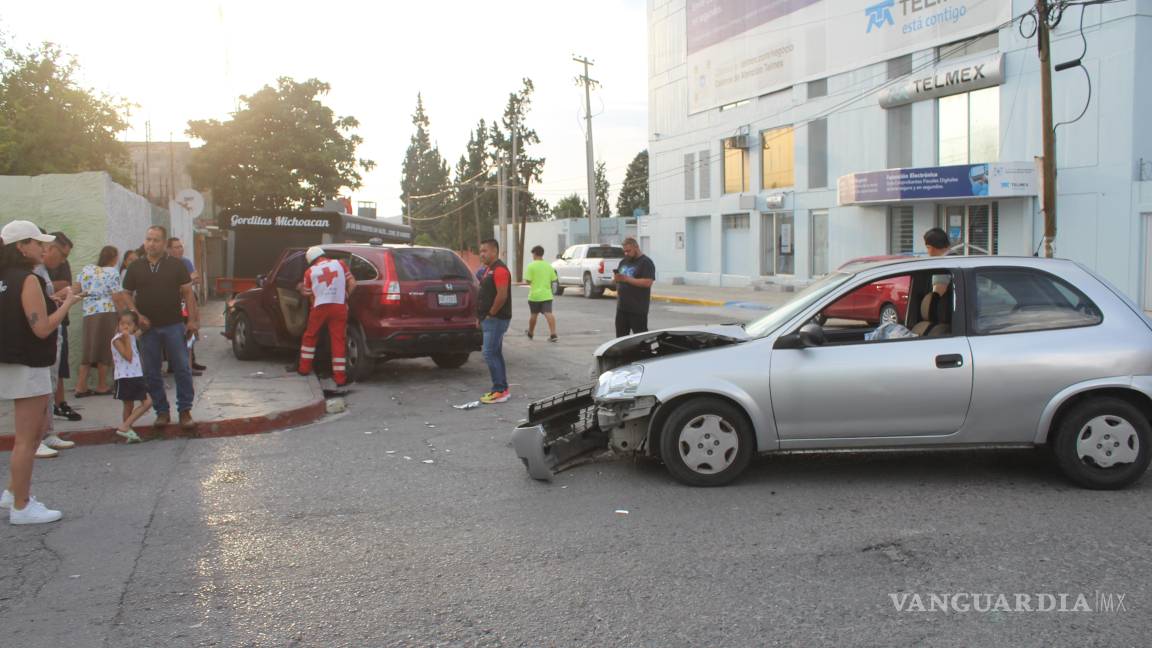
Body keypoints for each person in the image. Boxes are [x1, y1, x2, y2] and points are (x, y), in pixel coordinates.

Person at [0, 220, 83, 524]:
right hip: (29, 364)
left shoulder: (6, 278)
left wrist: (54, 301)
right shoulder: (28, 279)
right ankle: (22, 506)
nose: (42, 247)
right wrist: (68, 303)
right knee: (28, 438)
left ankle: (12, 492)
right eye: (36, 242)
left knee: (30, 435)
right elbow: (42, 327)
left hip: (10, 360)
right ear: (21, 247)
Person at [114, 225, 199, 431]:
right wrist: (137, 314)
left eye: (156, 240)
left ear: (164, 244)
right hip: (148, 329)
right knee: (152, 371)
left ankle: (185, 410)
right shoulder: (136, 267)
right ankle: (162, 412)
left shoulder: (176, 265)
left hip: (173, 325)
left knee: (182, 368)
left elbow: (188, 294)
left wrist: (192, 320)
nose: (151, 244)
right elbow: (125, 293)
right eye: (148, 239)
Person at [297, 246, 356, 387]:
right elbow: (353, 284)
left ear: (311, 260)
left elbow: (309, 294)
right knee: (338, 340)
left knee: (310, 336)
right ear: (323, 254)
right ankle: (340, 378)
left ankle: (304, 369)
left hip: (320, 307)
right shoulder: (340, 264)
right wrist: (345, 296)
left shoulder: (309, 272)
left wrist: (315, 308)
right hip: (339, 306)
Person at [44, 231, 82, 424]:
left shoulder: (60, 265)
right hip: (43, 323)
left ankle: (59, 403)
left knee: (59, 366)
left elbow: (67, 284)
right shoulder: (37, 268)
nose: (63, 261)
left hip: (59, 320)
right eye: (63, 255)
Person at [74, 245, 120, 398]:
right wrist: (123, 314)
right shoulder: (112, 272)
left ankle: (81, 386)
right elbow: (116, 295)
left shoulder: (87, 270)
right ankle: (102, 385)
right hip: (107, 312)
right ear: (114, 258)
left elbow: (76, 290)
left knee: (89, 348)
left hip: (89, 312)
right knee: (105, 349)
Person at [477, 239, 512, 404]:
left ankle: (499, 390)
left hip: (496, 319)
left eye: (485, 251)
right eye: (480, 251)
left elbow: (502, 295)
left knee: (489, 353)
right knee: (495, 353)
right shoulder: (488, 270)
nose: (482, 254)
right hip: (489, 319)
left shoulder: (500, 270)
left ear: (494, 252)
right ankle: (503, 389)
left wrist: (490, 314)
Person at [166, 237, 205, 371]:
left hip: (187, 302)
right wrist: (188, 280)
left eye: (180, 246)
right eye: (176, 247)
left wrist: (185, 283)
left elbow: (197, 278)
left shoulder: (186, 262)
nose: (179, 250)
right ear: (169, 249)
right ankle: (174, 364)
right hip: (172, 303)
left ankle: (191, 362)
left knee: (190, 330)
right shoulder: (166, 264)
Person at [111, 310, 150, 443]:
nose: (125, 327)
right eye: (122, 324)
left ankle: (128, 431)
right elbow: (128, 356)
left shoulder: (132, 336)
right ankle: (125, 426)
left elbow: (145, 327)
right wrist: (127, 338)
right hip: (126, 377)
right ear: (117, 325)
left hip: (135, 375)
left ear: (134, 326)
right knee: (147, 402)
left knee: (129, 406)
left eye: (129, 324)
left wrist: (138, 316)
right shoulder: (117, 340)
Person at [612, 237, 656, 338]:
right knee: (620, 339)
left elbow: (647, 282)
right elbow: (619, 280)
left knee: (640, 339)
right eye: (625, 251)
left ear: (636, 247)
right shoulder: (624, 261)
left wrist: (626, 279)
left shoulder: (646, 262)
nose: (626, 253)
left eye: (628, 251)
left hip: (637, 309)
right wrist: (616, 279)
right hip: (622, 308)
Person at [523, 245, 558, 342]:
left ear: (534, 254)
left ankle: (530, 332)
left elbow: (528, 281)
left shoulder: (531, 266)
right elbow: (553, 279)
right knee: (549, 314)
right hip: (547, 295)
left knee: (534, 314)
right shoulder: (548, 266)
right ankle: (553, 334)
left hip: (534, 295)